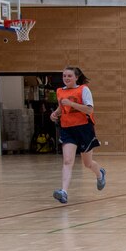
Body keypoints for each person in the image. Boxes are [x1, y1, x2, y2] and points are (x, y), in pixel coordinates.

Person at [49, 66, 106, 204]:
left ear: (76, 77)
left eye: (69, 76)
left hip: (83, 129)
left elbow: (89, 110)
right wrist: (55, 113)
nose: (66, 78)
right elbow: (62, 107)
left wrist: (72, 104)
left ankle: (100, 174)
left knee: (87, 163)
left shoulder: (83, 90)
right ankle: (64, 192)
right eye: (64, 76)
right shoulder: (59, 91)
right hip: (67, 129)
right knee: (68, 161)